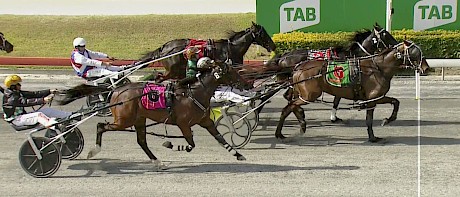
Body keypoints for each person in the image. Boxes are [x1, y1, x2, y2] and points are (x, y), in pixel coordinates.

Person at [2, 74, 72, 128]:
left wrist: (49, 91)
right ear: (13, 86)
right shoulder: (10, 97)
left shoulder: (17, 92)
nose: (20, 85)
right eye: (18, 84)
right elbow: (25, 102)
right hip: (16, 120)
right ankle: (55, 126)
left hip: (22, 116)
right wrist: (43, 100)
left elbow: (34, 94)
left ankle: (70, 115)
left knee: (47, 110)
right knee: (39, 115)